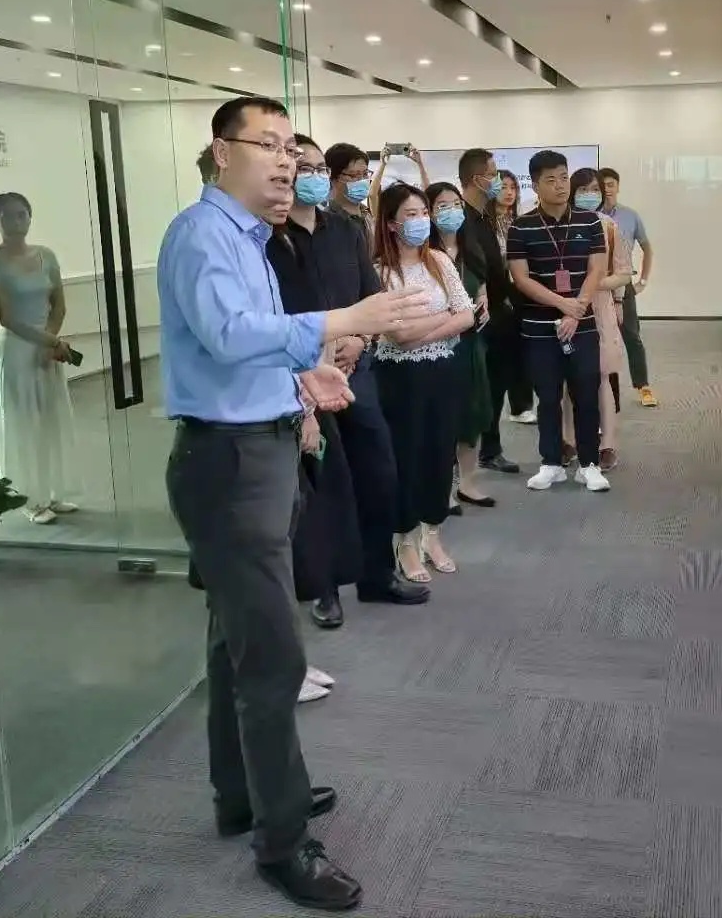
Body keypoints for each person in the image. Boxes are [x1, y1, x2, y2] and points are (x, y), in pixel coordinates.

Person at [159, 96, 428, 913]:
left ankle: (241, 795)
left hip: (256, 450)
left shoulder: (246, 240)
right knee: (273, 657)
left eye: (291, 149)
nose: (286, 163)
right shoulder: (202, 235)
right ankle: (282, 843)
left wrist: (304, 378)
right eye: (269, 146)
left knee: (233, 642)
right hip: (230, 463)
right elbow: (229, 334)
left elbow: (246, 344)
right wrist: (345, 318)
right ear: (221, 152)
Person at [267, 135, 429, 637]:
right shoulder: (268, 239)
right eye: (306, 168)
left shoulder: (345, 229)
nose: (314, 176)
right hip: (301, 381)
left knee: (378, 472)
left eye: (320, 168)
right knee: (324, 488)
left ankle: (378, 575)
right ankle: (326, 589)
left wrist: (359, 339)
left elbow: (370, 295)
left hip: (355, 371)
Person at [373, 182, 475, 582]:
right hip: (399, 377)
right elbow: (397, 334)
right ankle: (405, 540)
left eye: (424, 213)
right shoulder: (380, 270)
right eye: (410, 215)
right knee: (406, 456)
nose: (421, 221)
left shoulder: (438, 260)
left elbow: (466, 315)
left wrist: (425, 327)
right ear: (392, 223)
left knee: (439, 452)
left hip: (442, 370)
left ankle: (433, 533)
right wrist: (443, 319)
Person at [506, 150, 610, 493]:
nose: (560, 185)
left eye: (564, 177)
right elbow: (522, 278)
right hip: (539, 328)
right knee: (547, 397)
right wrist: (562, 304)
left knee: (586, 395)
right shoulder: (521, 227)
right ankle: (551, 463)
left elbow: (597, 268)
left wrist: (576, 309)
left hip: (583, 324)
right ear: (535, 185)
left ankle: (589, 464)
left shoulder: (589, 222)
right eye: (550, 180)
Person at [0, 193, 81, 524]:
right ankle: (29, 499)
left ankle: (52, 493)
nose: (16, 221)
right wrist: (52, 341)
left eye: (22, 214)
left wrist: (50, 342)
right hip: (17, 350)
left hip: (46, 349)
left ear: (30, 217)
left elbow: (58, 305)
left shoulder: (46, 255)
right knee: (23, 423)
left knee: (49, 420)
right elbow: (7, 317)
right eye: (8, 216)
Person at [427, 181, 494, 511]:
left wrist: (483, 302)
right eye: (442, 206)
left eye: (456, 205)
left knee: (473, 411)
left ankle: (468, 482)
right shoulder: (423, 253)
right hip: (436, 344)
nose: (451, 211)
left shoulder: (470, 249)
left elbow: (480, 286)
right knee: (442, 417)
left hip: (470, 343)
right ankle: (441, 488)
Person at [561, 168, 632, 472]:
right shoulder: (561, 225)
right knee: (567, 377)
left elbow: (624, 272)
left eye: (595, 190)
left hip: (600, 308)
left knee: (603, 376)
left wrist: (598, 285)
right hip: (566, 307)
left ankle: (608, 444)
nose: (589, 195)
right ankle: (567, 440)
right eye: (583, 190)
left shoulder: (610, 226)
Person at [458, 148, 520, 474]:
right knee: (474, 390)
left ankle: (490, 449)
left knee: (497, 384)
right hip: (473, 316)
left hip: (498, 311)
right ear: (476, 178)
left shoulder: (486, 216)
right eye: (493, 174)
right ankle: (462, 457)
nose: (498, 181)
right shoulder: (461, 218)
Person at [599, 166, 658, 408]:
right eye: (602, 185)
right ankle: (601, 392)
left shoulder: (630, 216)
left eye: (611, 184)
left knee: (631, 336)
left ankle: (643, 386)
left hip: (623, 284)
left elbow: (647, 247)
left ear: (618, 187)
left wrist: (642, 280)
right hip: (596, 287)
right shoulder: (588, 216)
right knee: (599, 340)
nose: (607, 189)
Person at [489, 169, 535, 424]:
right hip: (494, 291)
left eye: (513, 187)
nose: (508, 192)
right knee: (501, 353)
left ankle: (521, 406)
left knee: (522, 350)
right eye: (503, 187)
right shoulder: (484, 223)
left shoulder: (519, 221)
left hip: (519, 289)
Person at [325, 142, 375, 250]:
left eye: (365, 174)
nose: (362, 180)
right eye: (353, 175)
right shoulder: (328, 223)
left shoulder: (367, 215)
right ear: (332, 178)